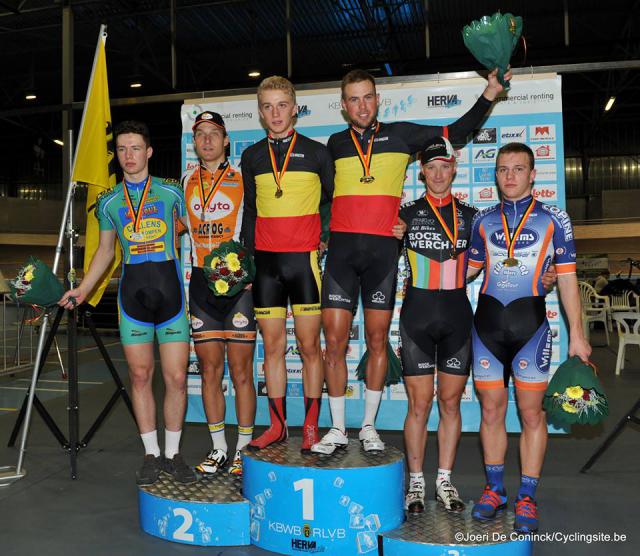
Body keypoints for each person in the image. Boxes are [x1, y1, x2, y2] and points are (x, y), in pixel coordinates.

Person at [313, 67, 510, 455]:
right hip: (340, 255)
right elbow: (323, 198)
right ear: (343, 105)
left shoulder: (401, 135)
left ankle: (368, 426)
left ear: (377, 99)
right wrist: (320, 234)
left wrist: (489, 92)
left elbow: (456, 130)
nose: (362, 105)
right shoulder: (333, 144)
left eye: (367, 96)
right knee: (333, 343)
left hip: (382, 255)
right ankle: (336, 428)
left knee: (376, 340)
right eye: (353, 99)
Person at [59, 121, 196, 485]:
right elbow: (105, 252)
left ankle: (174, 453)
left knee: (177, 378)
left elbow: (196, 236)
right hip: (132, 296)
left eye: (135, 148)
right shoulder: (109, 202)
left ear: (149, 151)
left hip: (171, 297)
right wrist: (83, 290)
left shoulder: (172, 192)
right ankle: (151, 454)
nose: (129, 156)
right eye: (122, 149)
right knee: (139, 375)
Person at [467, 142, 591, 533]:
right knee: (490, 411)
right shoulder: (482, 220)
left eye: (518, 169)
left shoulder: (555, 218)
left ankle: (527, 496)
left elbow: (568, 278)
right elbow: (464, 272)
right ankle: (494, 489)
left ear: (533, 174)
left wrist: (579, 336)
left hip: (531, 329)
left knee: (531, 413)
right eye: (503, 169)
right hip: (486, 327)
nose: (509, 176)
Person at [240, 76, 334, 451]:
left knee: (311, 347)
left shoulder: (316, 152)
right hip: (266, 265)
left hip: (304, 262)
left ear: (295, 108)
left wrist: (323, 235)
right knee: (272, 347)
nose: (275, 113)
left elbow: (332, 201)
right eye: (267, 106)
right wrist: (247, 261)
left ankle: (310, 427)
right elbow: (250, 211)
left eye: (282, 105)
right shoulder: (251, 156)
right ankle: (278, 427)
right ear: (260, 112)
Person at [397, 136, 476, 513]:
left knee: (449, 403)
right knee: (418, 405)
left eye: (445, 166)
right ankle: (415, 484)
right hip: (417, 317)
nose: (439, 173)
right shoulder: (405, 214)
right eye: (432, 167)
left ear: (454, 169)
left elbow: (489, 263)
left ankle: (444, 480)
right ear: (423, 171)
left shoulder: (472, 216)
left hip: (458, 317)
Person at [182, 111, 256, 477]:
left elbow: (258, 225)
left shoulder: (243, 178)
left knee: (241, 372)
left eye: (214, 134)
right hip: (200, 284)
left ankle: (243, 449)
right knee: (210, 370)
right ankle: (219, 448)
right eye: (201, 135)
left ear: (226, 141)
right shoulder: (185, 181)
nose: (207, 140)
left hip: (238, 284)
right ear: (194, 143)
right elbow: (175, 223)